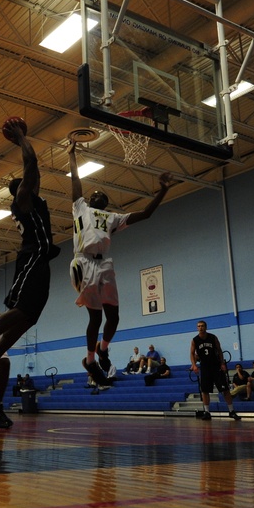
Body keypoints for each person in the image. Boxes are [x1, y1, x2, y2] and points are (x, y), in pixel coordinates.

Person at [0, 119, 60, 430]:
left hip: (41, 260)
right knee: (20, 309)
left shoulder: (30, 202)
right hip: (31, 260)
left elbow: (34, 171)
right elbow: (32, 162)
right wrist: (19, 138)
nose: (36, 182)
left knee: (30, 316)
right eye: (31, 182)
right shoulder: (23, 199)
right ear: (23, 189)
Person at [67, 141, 172, 387]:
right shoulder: (80, 207)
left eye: (102, 195)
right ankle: (91, 360)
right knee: (95, 318)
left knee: (114, 316)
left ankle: (103, 350)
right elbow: (75, 182)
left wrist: (163, 191)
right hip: (84, 262)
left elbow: (146, 214)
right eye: (94, 193)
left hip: (105, 265)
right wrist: (72, 155)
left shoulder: (113, 218)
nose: (97, 194)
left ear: (106, 202)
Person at [189, 321, 241, 421]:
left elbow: (220, 350)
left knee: (225, 389)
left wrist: (222, 363)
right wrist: (194, 365)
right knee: (205, 390)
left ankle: (231, 411)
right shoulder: (195, 340)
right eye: (199, 326)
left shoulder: (213, 337)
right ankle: (207, 412)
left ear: (206, 327)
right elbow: (192, 353)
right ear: (197, 328)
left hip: (216, 366)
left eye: (202, 326)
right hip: (204, 367)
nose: (200, 328)